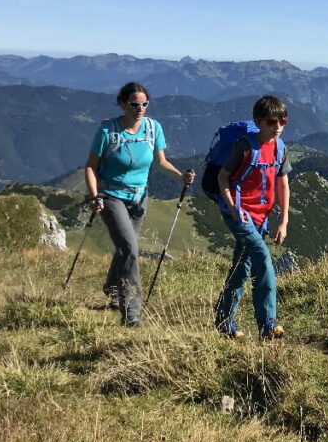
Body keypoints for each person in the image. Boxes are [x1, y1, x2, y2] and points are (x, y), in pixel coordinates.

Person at [84, 82, 194, 327]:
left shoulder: (153, 128)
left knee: (126, 248)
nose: (140, 108)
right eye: (134, 104)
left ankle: (113, 288)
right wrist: (94, 196)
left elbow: (161, 161)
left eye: (144, 104)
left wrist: (181, 178)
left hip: (139, 198)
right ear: (122, 104)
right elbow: (91, 166)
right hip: (111, 196)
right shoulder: (108, 132)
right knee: (130, 251)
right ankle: (131, 314)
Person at [214, 95, 291, 340]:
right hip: (240, 216)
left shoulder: (280, 148)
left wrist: (283, 220)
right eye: (271, 121)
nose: (278, 126)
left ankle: (225, 321)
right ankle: (267, 322)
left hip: (261, 217)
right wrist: (233, 208)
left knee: (242, 267)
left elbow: (283, 184)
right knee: (263, 258)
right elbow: (223, 177)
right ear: (259, 121)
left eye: (282, 121)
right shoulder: (246, 147)